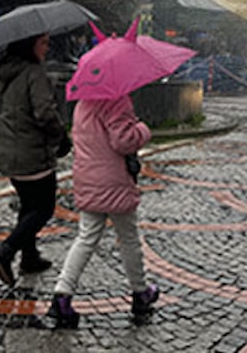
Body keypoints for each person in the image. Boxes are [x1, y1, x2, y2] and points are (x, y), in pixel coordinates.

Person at [46, 94, 158, 328]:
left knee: (85, 238)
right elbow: (123, 141)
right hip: (114, 181)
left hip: (88, 180)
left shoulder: (82, 104)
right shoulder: (117, 101)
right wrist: (142, 129)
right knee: (129, 238)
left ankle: (62, 294)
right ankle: (140, 292)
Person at [0, 33, 68, 286]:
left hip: (11, 153)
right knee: (43, 208)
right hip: (32, 153)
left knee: (28, 205)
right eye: (42, 43)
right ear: (29, 45)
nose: (47, 47)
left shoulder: (9, 72)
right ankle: (6, 251)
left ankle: (29, 257)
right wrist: (61, 137)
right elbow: (44, 112)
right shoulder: (34, 73)